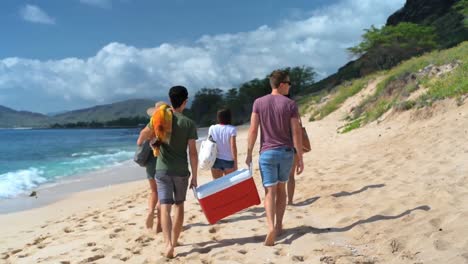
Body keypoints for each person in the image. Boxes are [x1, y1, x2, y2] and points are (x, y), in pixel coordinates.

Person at [138, 86, 198, 258]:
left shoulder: (159, 118)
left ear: (170, 100)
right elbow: (193, 153)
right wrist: (195, 176)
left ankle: (168, 244)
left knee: (164, 208)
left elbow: (141, 138)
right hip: (181, 171)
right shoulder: (188, 123)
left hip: (162, 170)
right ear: (185, 101)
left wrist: (153, 139)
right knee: (179, 205)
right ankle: (175, 239)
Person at [245, 69, 304, 246]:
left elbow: (253, 130)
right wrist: (300, 156)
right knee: (281, 190)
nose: (290, 86)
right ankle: (279, 226)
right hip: (286, 153)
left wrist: (248, 153)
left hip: (267, 154)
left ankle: (270, 226)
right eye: (289, 83)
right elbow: (296, 132)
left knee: (269, 192)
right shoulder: (290, 104)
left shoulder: (258, 103)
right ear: (281, 85)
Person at [136, 101, 167, 232]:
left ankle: (150, 212)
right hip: (163, 162)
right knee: (162, 193)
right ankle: (159, 224)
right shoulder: (169, 126)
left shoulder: (148, 128)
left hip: (150, 162)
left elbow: (139, 143)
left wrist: (150, 140)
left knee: (154, 191)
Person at [208, 108, 238, 179]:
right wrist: (235, 163)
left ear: (218, 117)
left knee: (217, 186)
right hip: (228, 161)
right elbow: (233, 146)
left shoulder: (212, 128)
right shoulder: (232, 129)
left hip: (215, 160)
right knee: (231, 186)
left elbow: (210, 143)